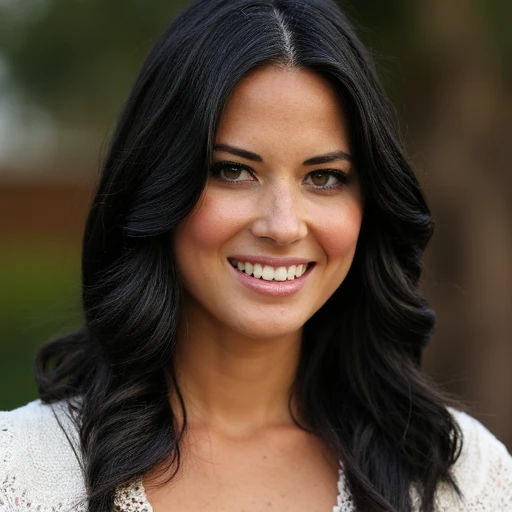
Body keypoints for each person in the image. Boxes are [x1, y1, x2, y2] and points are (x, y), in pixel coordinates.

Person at [1, 0, 511, 511]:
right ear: (159, 184)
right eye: (233, 171)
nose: (283, 226)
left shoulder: (459, 476)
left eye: (324, 177)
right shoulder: (23, 471)